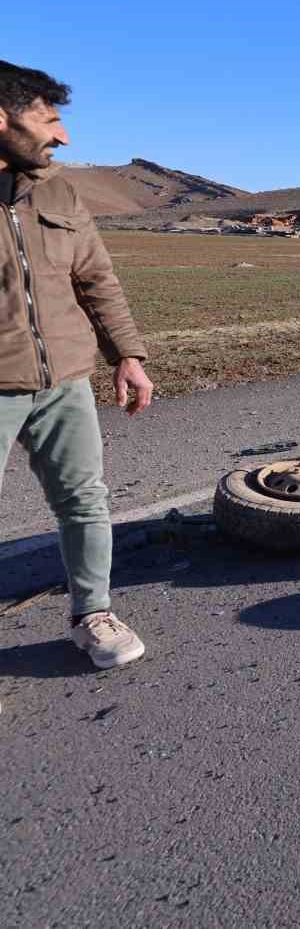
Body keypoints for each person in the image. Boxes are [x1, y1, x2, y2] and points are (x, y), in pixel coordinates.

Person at [0, 61, 153, 678]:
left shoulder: (60, 191)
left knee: (85, 501)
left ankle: (93, 614)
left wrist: (129, 357)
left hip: (63, 379)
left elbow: (95, 279)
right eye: (50, 119)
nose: (63, 137)